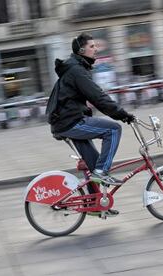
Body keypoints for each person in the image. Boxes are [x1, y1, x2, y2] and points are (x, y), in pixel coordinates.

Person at [49, 32, 135, 192]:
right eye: (92, 46)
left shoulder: (76, 68)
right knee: (113, 130)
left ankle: (94, 203)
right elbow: (98, 97)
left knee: (93, 163)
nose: (96, 49)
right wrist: (122, 115)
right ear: (82, 51)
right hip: (70, 122)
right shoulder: (77, 71)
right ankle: (102, 172)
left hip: (65, 121)